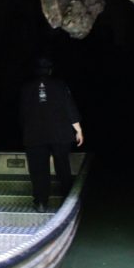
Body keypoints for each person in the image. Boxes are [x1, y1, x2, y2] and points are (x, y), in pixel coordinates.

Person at [19, 56, 84, 212]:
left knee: (38, 168)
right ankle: (67, 199)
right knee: (62, 164)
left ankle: (41, 202)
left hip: (34, 134)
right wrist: (78, 129)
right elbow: (69, 107)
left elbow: (22, 113)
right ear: (50, 70)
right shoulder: (60, 85)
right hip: (59, 133)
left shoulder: (26, 87)